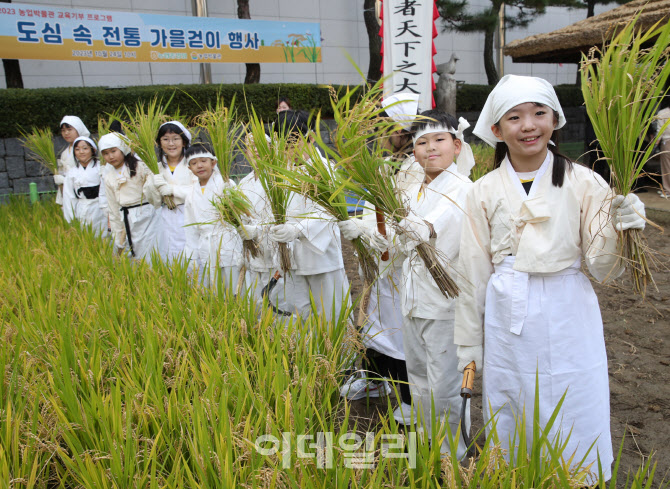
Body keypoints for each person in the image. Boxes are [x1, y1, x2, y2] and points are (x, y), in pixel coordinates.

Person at [455, 75, 647, 480]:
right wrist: (470, 348)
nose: (529, 125)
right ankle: (518, 473)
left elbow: (602, 267)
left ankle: (578, 477)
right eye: (515, 117)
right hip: (508, 310)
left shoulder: (585, 181)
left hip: (567, 306)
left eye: (539, 113)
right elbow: (472, 273)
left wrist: (623, 229)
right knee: (514, 397)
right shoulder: (483, 191)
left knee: (574, 394)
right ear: (496, 129)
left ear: (555, 120)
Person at [389, 110, 474, 459]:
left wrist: (409, 225)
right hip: (413, 297)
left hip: (445, 302)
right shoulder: (414, 188)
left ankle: (452, 451)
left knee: (444, 384)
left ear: (456, 145)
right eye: (421, 142)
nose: (430, 148)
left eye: (439, 139)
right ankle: (427, 439)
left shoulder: (463, 189)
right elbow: (399, 240)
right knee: (420, 378)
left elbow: (430, 227)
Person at [337, 93, 423, 425]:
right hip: (382, 260)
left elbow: (411, 217)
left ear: (402, 130)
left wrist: (381, 235)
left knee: (397, 329)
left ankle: (409, 398)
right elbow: (378, 211)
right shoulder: (390, 164)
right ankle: (375, 382)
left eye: (385, 127)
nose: (380, 134)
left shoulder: (416, 168)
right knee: (376, 322)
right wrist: (362, 227)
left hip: (403, 262)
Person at [268, 110, 350, 321]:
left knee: (332, 315)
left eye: (294, 142)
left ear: (311, 138)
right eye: (283, 145)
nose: (289, 150)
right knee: (301, 315)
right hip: (291, 259)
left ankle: (341, 355)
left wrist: (297, 229)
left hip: (320, 257)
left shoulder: (325, 170)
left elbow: (328, 211)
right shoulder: (280, 173)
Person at [183, 143, 242, 291]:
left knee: (236, 287)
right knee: (215, 290)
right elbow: (190, 228)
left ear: (213, 162)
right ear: (189, 168)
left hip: (228, 241)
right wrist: (191, 255)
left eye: (203, 161)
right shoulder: (190, 193)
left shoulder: (226, 184)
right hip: (206, 244)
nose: (199, 166)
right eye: (194, 163)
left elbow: (239, 216)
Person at [100, 133, 164, 263]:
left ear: (123, 149)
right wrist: (117, 235)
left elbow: (153, 191)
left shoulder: (140, 167)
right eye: (106, 153)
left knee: (153, 252)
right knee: (135, 255)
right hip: (127, 218)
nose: (110, 156)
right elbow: (113, 208)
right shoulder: (109, 177)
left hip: (148, 216)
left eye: (113, 151)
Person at [152, 121, 196, 262]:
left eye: (175, 138)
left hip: (190, 215)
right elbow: (154, 201)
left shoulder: (194, 163)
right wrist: (153, 186)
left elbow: (200, 191)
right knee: (172, 258)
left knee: (193, 259)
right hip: (166, 218)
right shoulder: (156, 168)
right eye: (165, 139)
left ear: (184, 142)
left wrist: (172, 190)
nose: (171, 144)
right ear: (160, 143)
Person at [61, 136, 108, 237]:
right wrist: (70, 218)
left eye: (85, 148)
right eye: (77, 149)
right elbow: (69, 196)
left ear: (93, 150)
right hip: (82, 208)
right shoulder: (72, 172)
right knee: (86, 237)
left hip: (100, 208)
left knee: (104, 237)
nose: (81, 152)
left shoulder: (101, 168)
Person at [53, 116, 90, 206]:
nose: (66, 133)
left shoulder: (86, 149)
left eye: (69, 129)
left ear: (78, 129)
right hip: (68, 192)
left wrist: (65, 180)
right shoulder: (64, 153)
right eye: (63, 130)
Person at [655, 99, 670, 198]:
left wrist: (655, 144)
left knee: (667, 166)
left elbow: (660, 130)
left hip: (667, 141)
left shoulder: (663, 112)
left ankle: (667, 190)